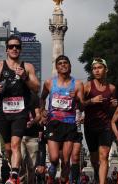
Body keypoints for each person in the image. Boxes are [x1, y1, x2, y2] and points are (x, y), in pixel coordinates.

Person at [0, 35, 40, 184]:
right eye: (11, 46)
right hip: (3, 112)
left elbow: (36, 87)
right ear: (7, 49)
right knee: (8, 148)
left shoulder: (27, 67)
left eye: (17, 46)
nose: (15, 49)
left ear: (21, 49)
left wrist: (25, 77)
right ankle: (15, 171)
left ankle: (14, 176)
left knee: (15, 144)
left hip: (20, 112)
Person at [40, 55, 85, 183]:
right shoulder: (49, 82)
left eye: (66, 63)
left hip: (70, 124)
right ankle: (52, 171)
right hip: (53, 123)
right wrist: (43, 110)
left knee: (66, 160)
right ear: (56, 67)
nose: (63, 65)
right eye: (60, 63)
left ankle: (63, 180)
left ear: (70, 66)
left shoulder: (77, 84)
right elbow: (42, 98)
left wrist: (76, 98)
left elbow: (81, 107)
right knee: (54, 158)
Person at [83, 58, 117, 184]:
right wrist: (91, 101)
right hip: (90, 126)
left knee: (104, 156)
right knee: (94, 159)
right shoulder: (87, 86)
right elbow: (80, 106)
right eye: (94, 68)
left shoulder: (112, 88)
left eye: (99, 67)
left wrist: (113, 106)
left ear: (106, 69)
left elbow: (111, 110)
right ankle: (97, 175)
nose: (97, 71)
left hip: (105, 126)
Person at [19, 92, 41, 184]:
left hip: (32, 136)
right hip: (18, 135)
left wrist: (32, 122)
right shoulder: (15, 94)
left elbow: (38, 115)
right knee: (20, 163)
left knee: (31, 167)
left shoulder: (34, 96)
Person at [70, 109, 84, 184]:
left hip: (77, 133)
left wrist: (83, 118)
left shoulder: (80, 103)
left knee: (75, 157)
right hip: (65, 131)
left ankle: (74, 181)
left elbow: (87, 115)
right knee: (65, 160)